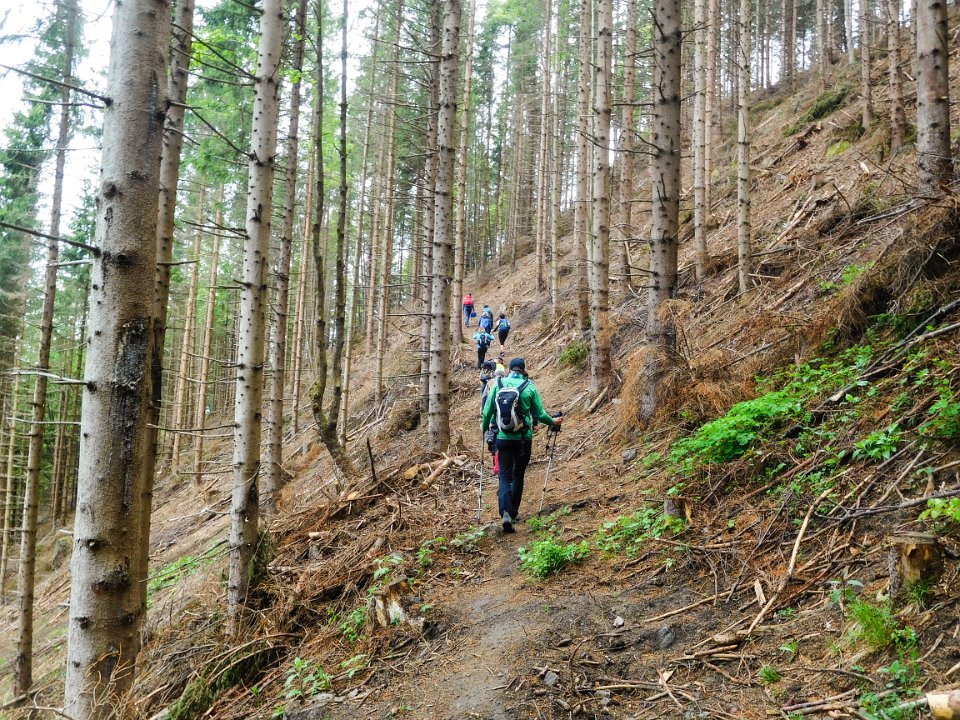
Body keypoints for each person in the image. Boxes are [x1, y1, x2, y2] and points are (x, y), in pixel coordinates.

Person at [481, 357, 563, 533]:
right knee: (518, 474)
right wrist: (553, 422)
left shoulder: (498, 383)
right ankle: (513, 512)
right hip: (523, 439)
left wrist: (484, 428)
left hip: (502, 437)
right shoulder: (529, 386)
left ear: (509, 369)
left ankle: (505, 512)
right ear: (524, 370)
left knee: (504, 476)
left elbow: (487, 410)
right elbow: (539, 414)